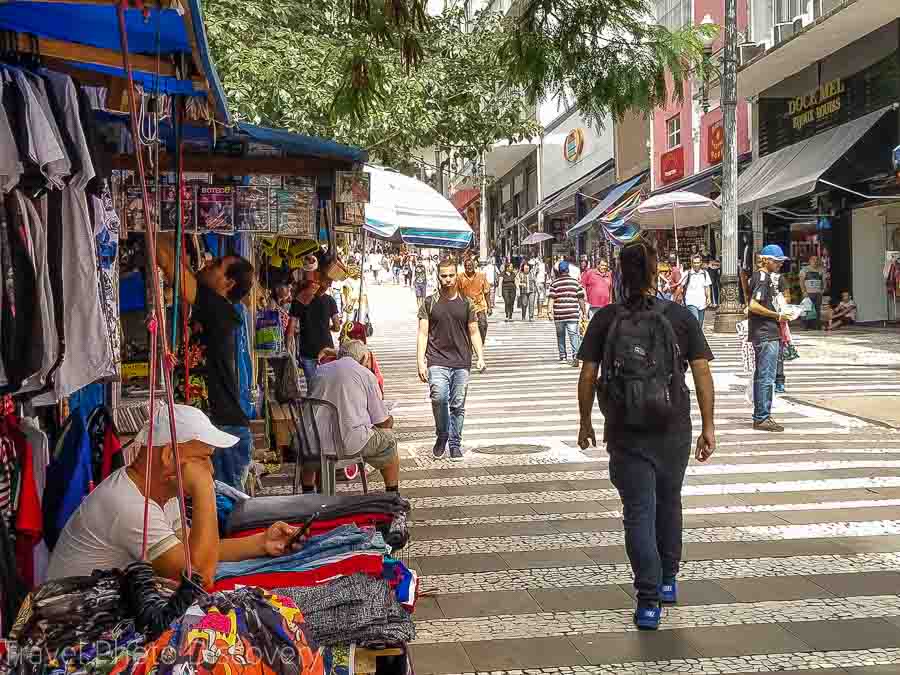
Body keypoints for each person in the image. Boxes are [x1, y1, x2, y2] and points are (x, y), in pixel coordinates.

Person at [576, 237, 715, 631]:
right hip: (673, 427)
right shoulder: (680, 317)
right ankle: (668, 580)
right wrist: (708, 425)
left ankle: (648, 601)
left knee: (638, 512)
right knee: (669, 501)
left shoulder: (606, 318)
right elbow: (702, 372)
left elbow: (588, 375)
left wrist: (585, 422)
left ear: (620, 272)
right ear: (656, 272)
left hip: (625, 430)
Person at [47, 405, 301, 587]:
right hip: (74, 638)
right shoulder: (129, 504)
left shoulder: (161, 493)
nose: (210, 470)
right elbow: (200, 576)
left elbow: (196, 550)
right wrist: (204, 491)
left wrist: (261, 543)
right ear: (169, 455)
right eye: (203, 459)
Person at [156, 234, 254, 490]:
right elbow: (179, 267)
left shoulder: (219, 310)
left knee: (225, 513)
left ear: (228, 283)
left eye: (217, 264)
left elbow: (168, 262)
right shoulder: (219, 309)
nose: (209, 264)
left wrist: (151, 224)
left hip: (222, 430)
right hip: (216, 427)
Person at [299, 340, 401, 493]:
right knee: (389, 440)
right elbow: (381, 421)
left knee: (318, 439)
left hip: (311, 443)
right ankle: (393, 494)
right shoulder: (365, 374)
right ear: (362, 359)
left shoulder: (319, 371)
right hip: (348, 444)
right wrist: (389, 420)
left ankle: (308, 493)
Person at [417, 258, 486, 461]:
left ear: (457, 276)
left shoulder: (466, 303)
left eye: (451, 275)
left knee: (457, 404)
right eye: (443, 276)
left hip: (461, 361)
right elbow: (422, 333)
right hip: (437, 360)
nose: (447, 279)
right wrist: (420, 361)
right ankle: (442, 435)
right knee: (438, 398)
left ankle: (455, 444)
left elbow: (474, 331)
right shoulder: (429, 303)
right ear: (438, 277)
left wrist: (480, 356)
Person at [749, 244, 790, 432]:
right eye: (777, 261)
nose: (780, 264)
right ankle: (762, 416)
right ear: (766, 260)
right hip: (766, 333)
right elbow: (753, 305)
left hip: (766, 332)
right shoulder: (762, 278)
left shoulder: (768, 278)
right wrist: (776, 316)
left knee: (763, 376)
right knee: (766, 377)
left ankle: (761, 415)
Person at [291, 278, 341, 392]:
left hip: (307, 349)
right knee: (329, 385)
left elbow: (291, 328)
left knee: (311, 386)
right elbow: (337, 327)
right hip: (326, 349)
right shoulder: (330, 300)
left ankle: (313, 408)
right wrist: (327, 327)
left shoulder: (298, 301)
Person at [548, 261, 586, 367]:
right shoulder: (575, 282)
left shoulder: (554, 283)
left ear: (559, 271)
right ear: (568, 270)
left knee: (560, 335)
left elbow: (551, 298)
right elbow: (581, 298)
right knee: (574, 335)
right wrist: (583, 311)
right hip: (573, 314)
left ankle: (563, 356)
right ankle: (575, 356)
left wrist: (549, 311)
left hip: (559, 314)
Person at [457, 257, 491, 343]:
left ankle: (480, 342)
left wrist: (489, 307)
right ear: (464, 267)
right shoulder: (460, 277)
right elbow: (456, 292)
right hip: (465, 306)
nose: (469, 267)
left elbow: (486, 292)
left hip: (479, 305)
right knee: (466, 327)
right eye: (467, 266)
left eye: (471, 265)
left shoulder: (481, 276)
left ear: (474, 266)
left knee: (483, 325)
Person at [680, 254, 713, 326]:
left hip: (702, 302)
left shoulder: (705, 274)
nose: (696, 265)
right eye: (694, 263)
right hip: (690, 301)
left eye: (697, 262)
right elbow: (681, 287)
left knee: (700, 324)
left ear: (701, 263)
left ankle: (694, 336)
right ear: (691, 263)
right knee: (696, 321)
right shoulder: (687, 274)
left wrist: (709, 298)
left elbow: (707, 287)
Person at [799, 254, 825, 330]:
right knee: (806, 309)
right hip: (808, 293)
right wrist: (804, 291)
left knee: (817, 309)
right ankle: (805, 326)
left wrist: (822, 290)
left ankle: (816, 326)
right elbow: (801, 281)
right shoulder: (804, 270)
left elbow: (823, 281)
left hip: (818, 293)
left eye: (817, 260)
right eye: (813, 260)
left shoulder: (821, 270)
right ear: (810, 261)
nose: (815, 261)